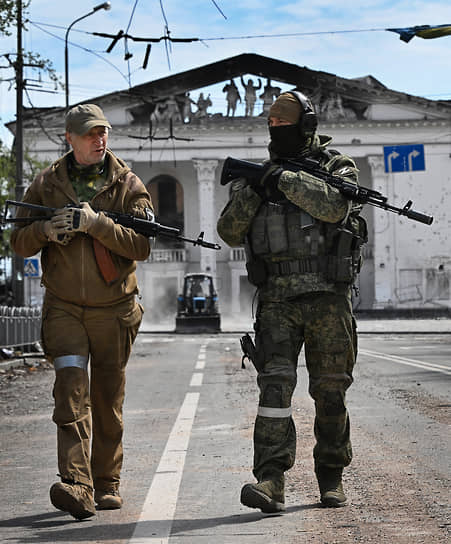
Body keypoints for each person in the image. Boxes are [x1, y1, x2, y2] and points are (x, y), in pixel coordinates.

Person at [217, 91, 366, 513]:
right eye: (272, 126)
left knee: (331, 391)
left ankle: (331, 476)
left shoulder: (337, 166)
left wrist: (284, 179)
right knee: (274, 392)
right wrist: (258, 187)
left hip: (328, 300)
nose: (277, 132)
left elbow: (336, 206)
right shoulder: (257, 176)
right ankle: (270, 479)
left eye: (285, 126)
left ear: (306, 126)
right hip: (278, 301)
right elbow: (228, 230)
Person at [10, 104, 153, 520]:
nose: (99, 140)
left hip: (115, 310)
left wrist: (96, 225)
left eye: (103, 132)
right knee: (71, 389)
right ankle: (77, 484)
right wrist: (44, 230)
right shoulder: (47, 183)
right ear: (69, 139)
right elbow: (18, 242)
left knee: (108, 399)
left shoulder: (127, 183)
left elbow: (142, 246)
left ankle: (107, 483)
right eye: (90, 134)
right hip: (65, 308)